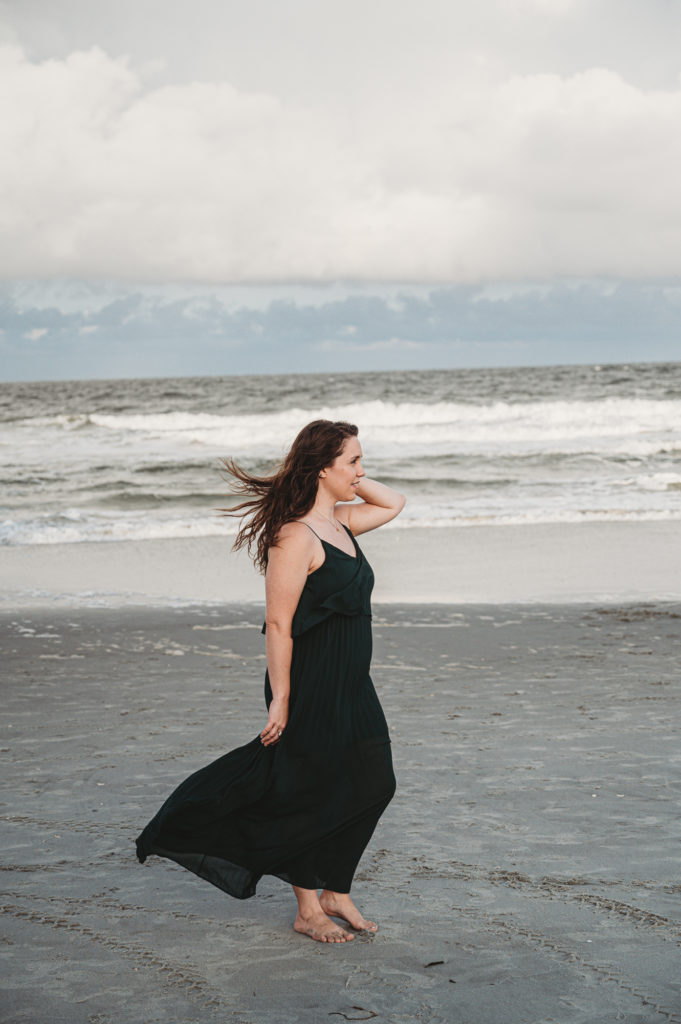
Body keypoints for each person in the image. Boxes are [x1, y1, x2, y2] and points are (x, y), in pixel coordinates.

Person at [136, 419, 406, 943]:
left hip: (352, 683)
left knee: (375, 780)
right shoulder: (293, 536)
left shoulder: (343, 524)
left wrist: (348, 479)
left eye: (360, 460)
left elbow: (393, 502)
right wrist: (281, 698)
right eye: (352, 461)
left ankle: (335, 890)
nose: (362, 470)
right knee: (306, 789)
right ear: (322, 467)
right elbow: (279, 623)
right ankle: (309, 908)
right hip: (308, 682)